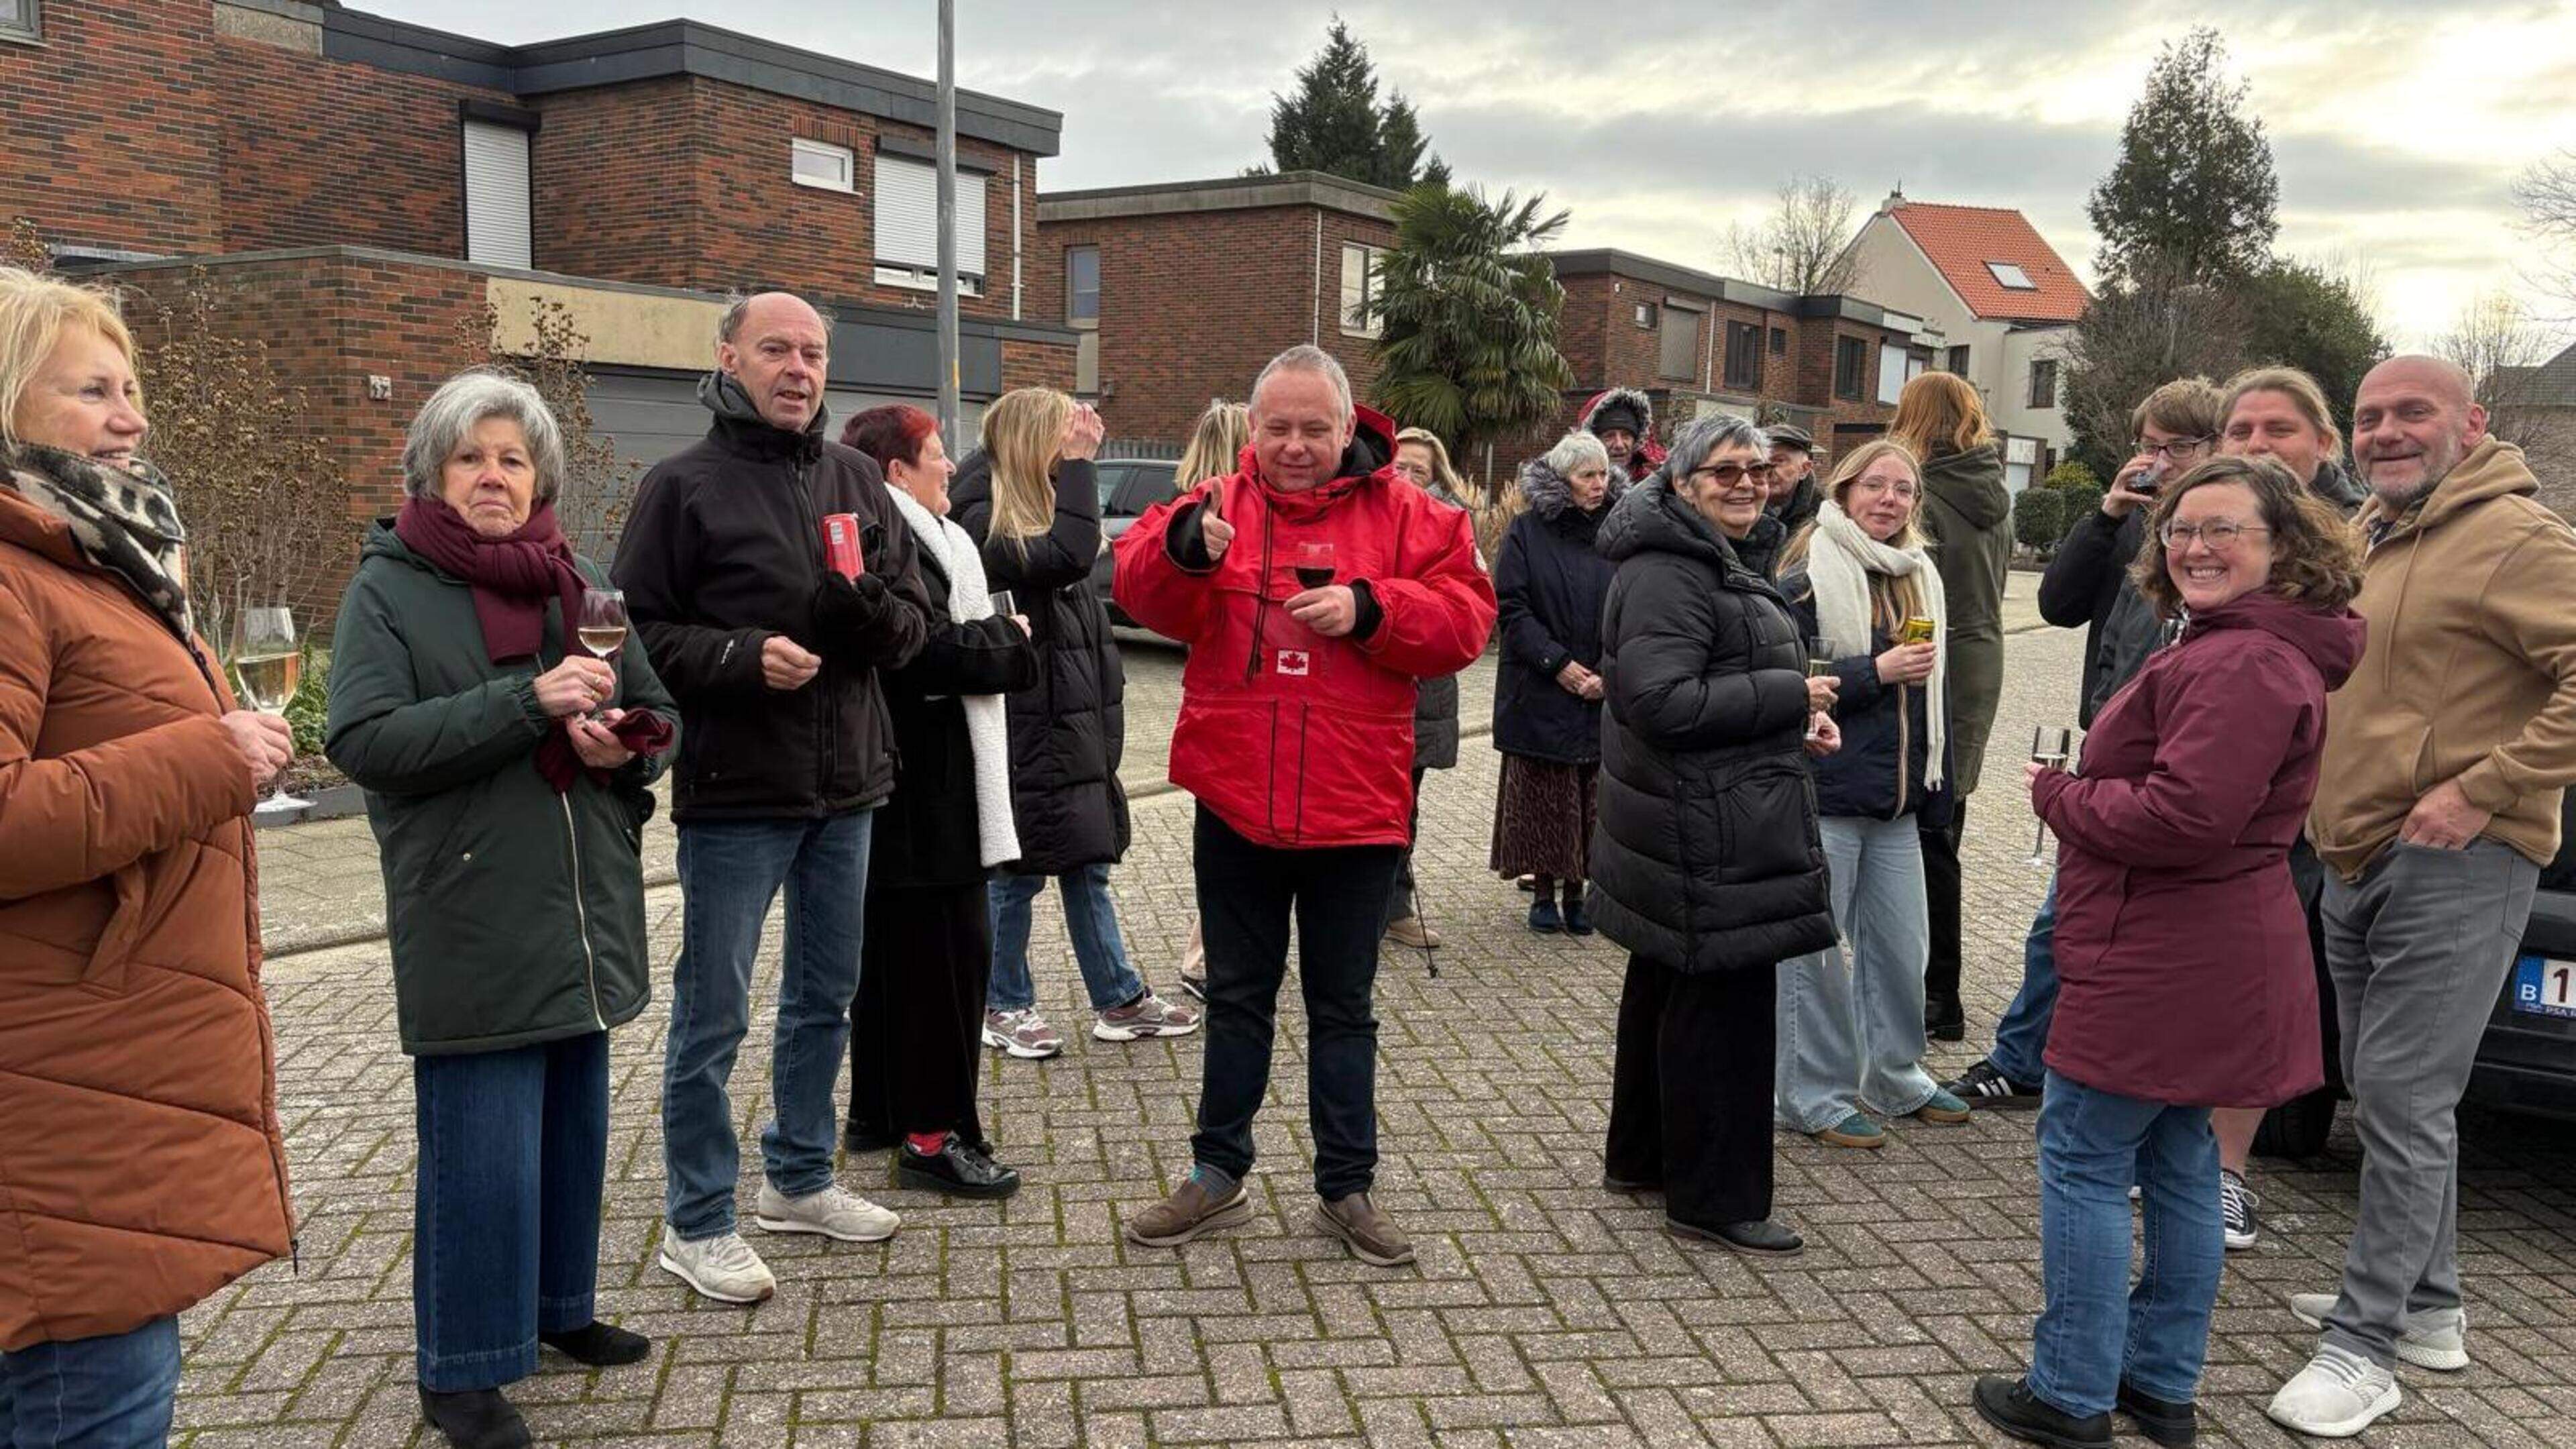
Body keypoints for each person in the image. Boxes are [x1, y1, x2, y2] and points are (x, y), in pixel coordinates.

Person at [1975, 455, 2365, 1449]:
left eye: (2223, 528)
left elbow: (2185, 818)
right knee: (2183, 1159)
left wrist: (2059, 796)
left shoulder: (2242, 660)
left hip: (2165, 949)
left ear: (2284, 545)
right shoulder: (2256, 645)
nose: (2194, 546)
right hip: (2206, 947)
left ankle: (2069, 1394)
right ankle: (2158, 1384)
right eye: (2183, 528)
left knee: (2085, 1158)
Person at [325, 370, 678, 1448]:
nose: (492, 475)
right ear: (432, 471)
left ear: (541, 479)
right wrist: (523, 700)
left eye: (513, 459)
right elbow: (366, 743)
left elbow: (657, 707)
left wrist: (626, 743)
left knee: (572, 1126)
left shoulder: (580, 580)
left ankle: (557, 1309)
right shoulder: (388, 588)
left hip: (582, 900)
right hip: (472, 903)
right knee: (481, 1141)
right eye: (471, 457)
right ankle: (463, 1369)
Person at [1113, 345, 1494, 1267]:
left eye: (1313, 429)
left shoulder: (1415, 515)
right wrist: (1177, 556)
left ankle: (1347, 1187)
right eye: (1276, 428)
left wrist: (1372, 610)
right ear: (1252, 429)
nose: (1293, 445)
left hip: (1356, 807)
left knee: (1343, 1006)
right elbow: (1130, 586)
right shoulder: (1212, 509)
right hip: (1237, 800)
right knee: (1237, 999)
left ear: (1347, 423)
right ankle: (1217, 1173)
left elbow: (1469, 620)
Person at [0, 268, 295, 1448]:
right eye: (94, 390)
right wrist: (211, 760)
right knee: (89, 1406)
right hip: (62, 1111)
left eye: (133, 389)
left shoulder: (93, 556)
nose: (133, 417)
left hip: (100, 1075)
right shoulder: (18, 574)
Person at [2267, 357, 2576, 1438]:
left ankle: (2365, 1348)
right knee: (2386, 1087)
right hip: (2357, 854)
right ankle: (2430, 1306)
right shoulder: (2379, 533)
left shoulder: (2515, 538)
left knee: (2401, 1095)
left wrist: (2484, 789)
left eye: (2413, 414)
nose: (2387, 432)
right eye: (2370, 417)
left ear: (2472, 424)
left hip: (2456, 860)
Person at [612, 291, 932, 1305]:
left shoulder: (854, 479)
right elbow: (631, 635)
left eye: (813, 353)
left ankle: (797, 1178)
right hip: (741, 793)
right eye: (776, 351)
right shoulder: (681, 488)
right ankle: (697, 1220)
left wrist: (871, 610)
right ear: (730, 359)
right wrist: (742, 657)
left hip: (850, 788)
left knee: (825, 999)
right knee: (717, 1015)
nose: (798, 368)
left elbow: (917, 626)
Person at [1591, 414, 1841, 1257]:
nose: (1746, 483)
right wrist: (1791, 698)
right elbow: (1660, 702)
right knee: (1725, 1012)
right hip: (1705, 824)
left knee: (1669, 991)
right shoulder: (1672, 569)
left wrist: (1789, 725)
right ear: (1684, 482)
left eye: (1757, 469)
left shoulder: (1709, 556)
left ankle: (1646, 1160)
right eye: (1725, 471)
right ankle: (1715, 1198)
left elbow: (1710, 685)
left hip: (1701, 809)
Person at [1945, 379, 2224, 1113]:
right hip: (2112, 749)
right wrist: (2104, 517)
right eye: (2151, 446)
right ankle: (2025, 1060)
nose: (2160, 462)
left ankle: (2117, 1080)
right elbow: (2057, 606)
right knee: (2062, 918)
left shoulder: (2228, 537)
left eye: (2178, 447)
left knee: (2136, 930)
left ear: (2216, 448)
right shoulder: (2133, 525)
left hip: (2183, 763)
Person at [953, 388, 1197, 1061]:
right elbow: (1068, 554)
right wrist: (1086, 469)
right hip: (1026, 726)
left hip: (1071, 726)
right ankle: (1001, 1003)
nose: (1075, 451)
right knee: (1018, 872)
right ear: (1037, 442)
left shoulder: (1036, 501)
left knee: (1086, 863)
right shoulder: (982, 514)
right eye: (1065, 440)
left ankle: (1118, 998)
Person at [835, 404, 1040, 1197]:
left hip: (906, 780)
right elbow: (925, 654)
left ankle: (880, 1111)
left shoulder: (917, 535)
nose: (950, 467)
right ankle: (935, 1136)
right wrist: (1010, 643)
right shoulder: (896, 543)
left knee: (892, 961)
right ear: (896, 473)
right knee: (948, 964)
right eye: (934, 455)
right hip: (928, 788)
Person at [1772, 439, 1972, 1149]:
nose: (1890, 500)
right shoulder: (1803, 577)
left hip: (1896, 802)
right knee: (1814, 958)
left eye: (1904, 490)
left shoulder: (1921, 576)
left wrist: (1936, 786)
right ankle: (1811, 1093)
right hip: (1825, 794)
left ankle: (1894, 1072)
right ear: (1846, 491)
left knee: (1899, 948)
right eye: (1876, 486)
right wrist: (1876, 672)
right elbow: (1795, 686)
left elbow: (1936, 696)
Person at [1889, 372, 2008, 1044]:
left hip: (1929, 660)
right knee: (1944, 829)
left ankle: (1933, 997)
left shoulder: (1918, 489)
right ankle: (1941, 998)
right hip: (1980, 660)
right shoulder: (1994, 485)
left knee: (1922, 836)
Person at [1490, 431, 1625, 935]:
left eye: (1604, 474)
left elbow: (1637, 607)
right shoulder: (1528, 530)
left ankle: (1582, 892)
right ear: (1562, 481)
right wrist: (1560, 665)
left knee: (1594, 798)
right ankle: (1544, 891)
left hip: (1601, 689)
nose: (1598, 484)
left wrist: (1609, 674)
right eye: (1587, 476)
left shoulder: (1621, 532)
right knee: (1546, 798)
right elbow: (1513, 607)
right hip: (1541, 687)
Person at [1169, 400, 1252, 1001]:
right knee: (1235, 836)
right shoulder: (1226, 507)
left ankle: (1213, 953)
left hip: (1208, 693)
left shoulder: (1187, 502)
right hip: (1239, 692)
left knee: (1221, 832)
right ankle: (1205, 958)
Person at [1386, 425, 1474, 951]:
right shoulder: (1371, 518)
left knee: (1405, 804)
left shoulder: (1451, 528)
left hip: (1426, 693)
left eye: (1421, 470)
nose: (1409, 477)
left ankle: (1396, 905)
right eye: (1400, 467)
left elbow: (1465, 613)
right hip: (1372, 691)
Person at [1576, 386, 1664, 481]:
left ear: (1637, 441)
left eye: (1626, 436)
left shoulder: (1658, 479)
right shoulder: (1574, 483)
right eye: (1609, 436)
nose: (1619, 445)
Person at [1765, 423, 1823, 535]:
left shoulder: (1824, 516)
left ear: (1804, 469)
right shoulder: (1736, 506)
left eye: (1779, 461)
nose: (1767, 471)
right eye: (1760, 462)